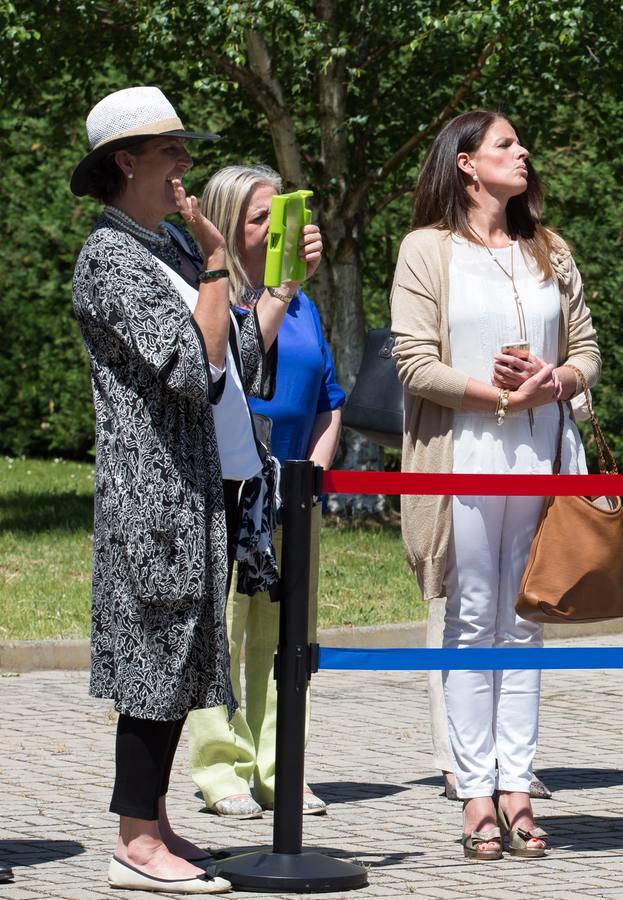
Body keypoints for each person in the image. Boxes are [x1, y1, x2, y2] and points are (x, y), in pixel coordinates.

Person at [69, 85, 311, 893]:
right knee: (152, 666)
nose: (186, 162)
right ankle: (135, 842)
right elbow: (187, 365)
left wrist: (276, 287)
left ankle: (156, 822)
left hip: (204, 491)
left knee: (182, 665)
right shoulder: (109, 256)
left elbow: (235, 349)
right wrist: (216, 259)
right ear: (124, 162)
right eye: (171, 150)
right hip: (156, 497)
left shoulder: (166, 242)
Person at [391, 109, 600, 861]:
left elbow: (587, 351)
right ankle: (476, 792)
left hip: (544, 461)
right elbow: (413, 363)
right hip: (465, 462)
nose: (523, 152)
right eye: (505, 144)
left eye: (520, 142)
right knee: (472, 620)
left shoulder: (549, 248)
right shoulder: (426, 251)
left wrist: (556, 380)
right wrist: (503, 396)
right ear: (466, 164)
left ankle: (518, 784)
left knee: (527, 621)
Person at [185, 164, 343, 820]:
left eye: (283, 216)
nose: (277, 229)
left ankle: (282, 769)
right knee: (221, 635)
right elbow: (236, 367)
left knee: (285, 644)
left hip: (287, 497)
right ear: (228, 226)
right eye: (260, 219)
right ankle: (222, 769)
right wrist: (277, 288)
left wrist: (310, 478)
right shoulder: (217, 298)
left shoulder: (303, 303)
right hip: (225, 493)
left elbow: (331, 401)